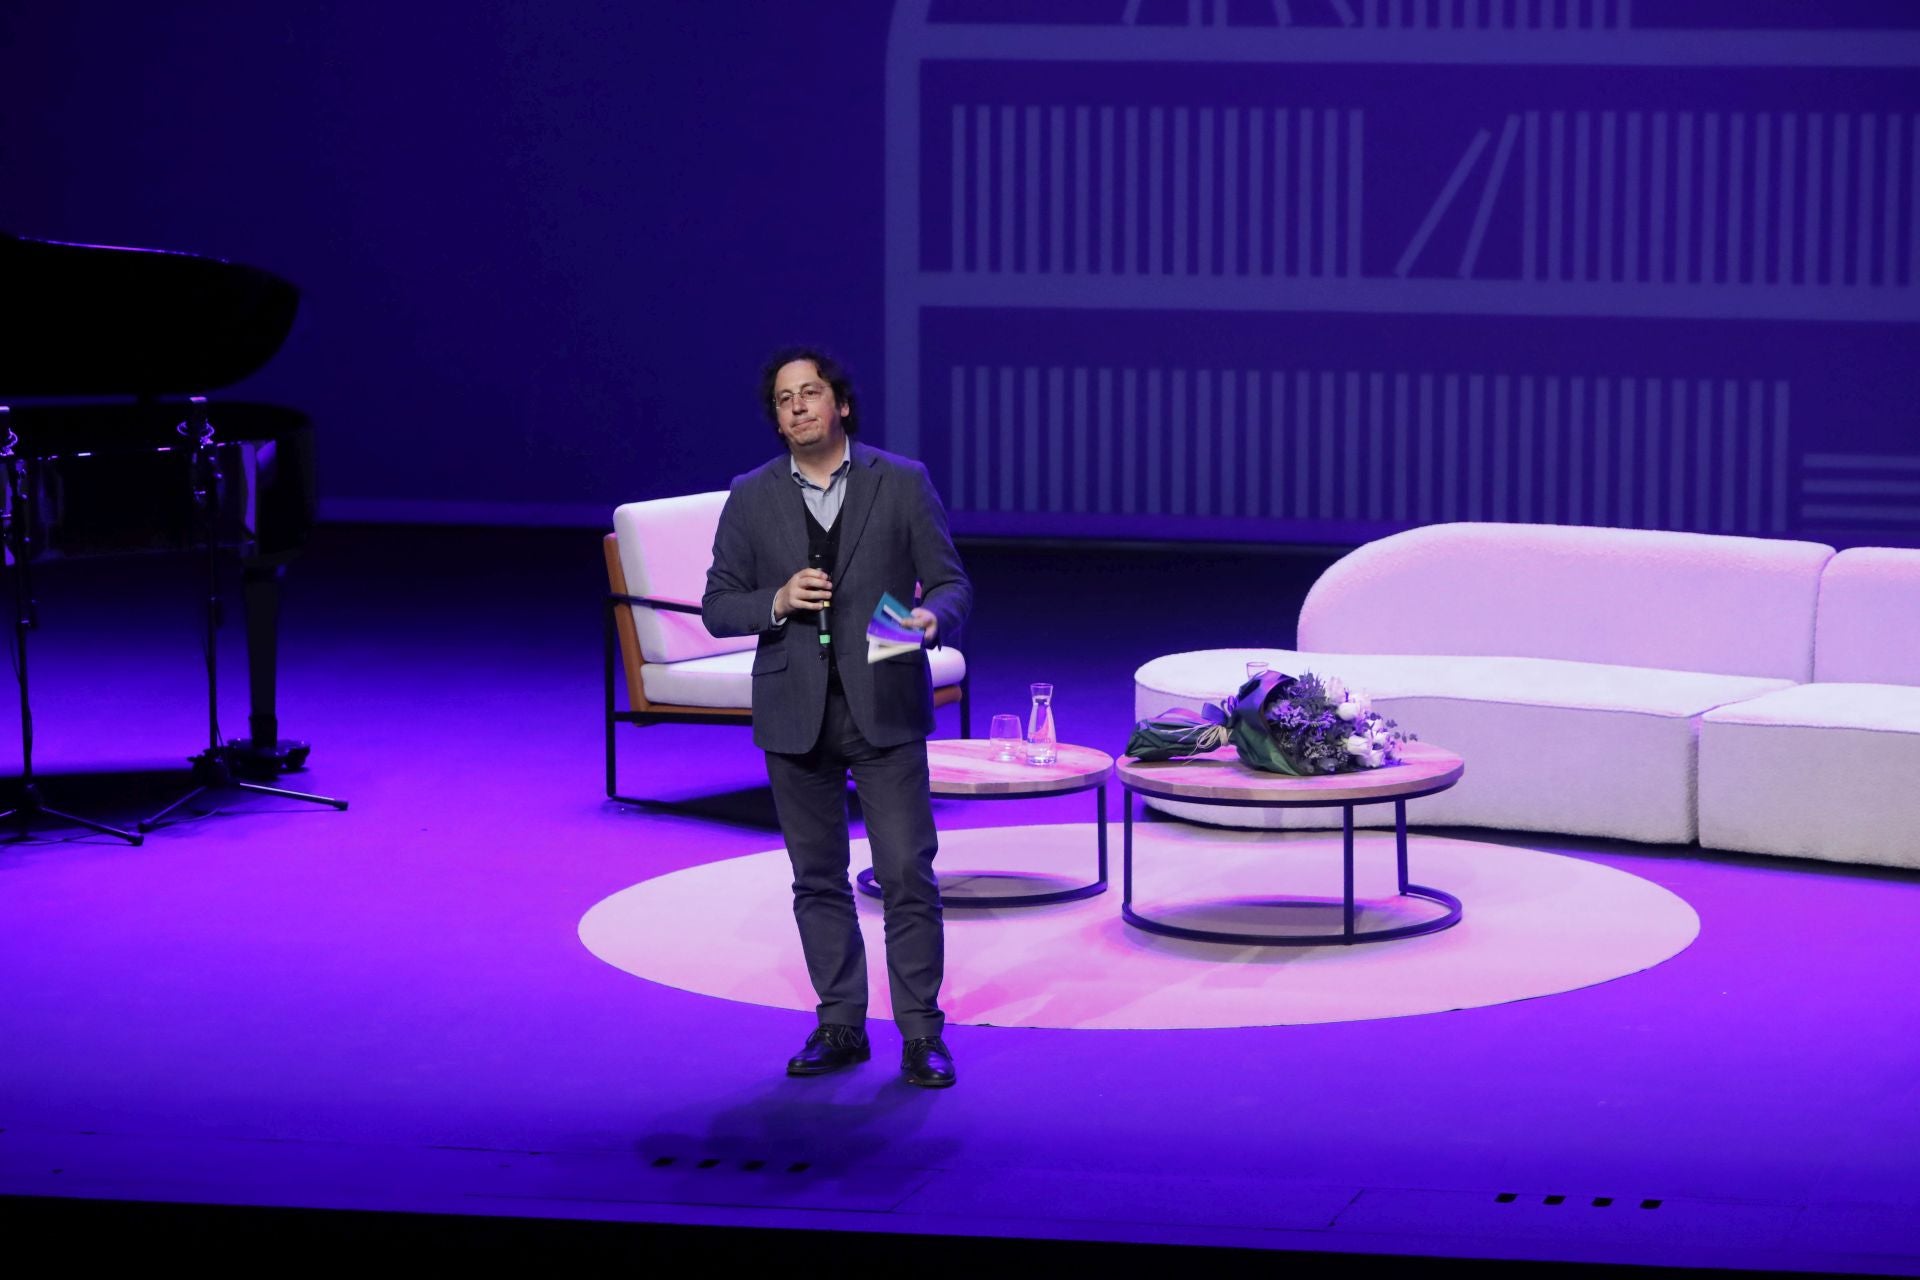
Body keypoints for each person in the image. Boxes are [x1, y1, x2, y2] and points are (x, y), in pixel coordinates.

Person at [702, 347, 973, 1088]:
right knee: (816, 877)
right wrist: (777, 601)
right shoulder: (752, 495)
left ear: (840, 405)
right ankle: (841, 1023)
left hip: (884, 692)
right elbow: (719, 603)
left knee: (906, 873)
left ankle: (922, 1035)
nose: (797, 408)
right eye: (784, 399)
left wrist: (930, 618)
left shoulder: (901, 481)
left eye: (810, 393)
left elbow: (951, 581)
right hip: (794, 707)